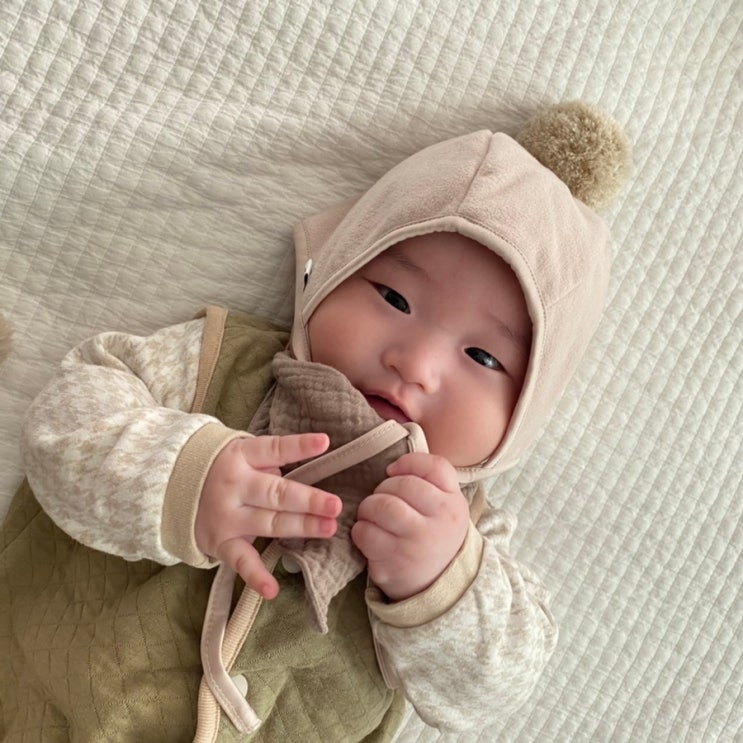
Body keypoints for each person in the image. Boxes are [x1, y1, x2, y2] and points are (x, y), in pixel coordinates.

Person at [0, 102, 630, 741]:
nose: (416, 364)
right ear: (329, 271)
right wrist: (185, 476)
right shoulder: (221, 364)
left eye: (483, 357)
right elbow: (64, 421)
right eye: (394, 298)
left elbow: (494, 689)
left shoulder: (466, 531)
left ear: (524, 414)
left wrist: (442, 586)